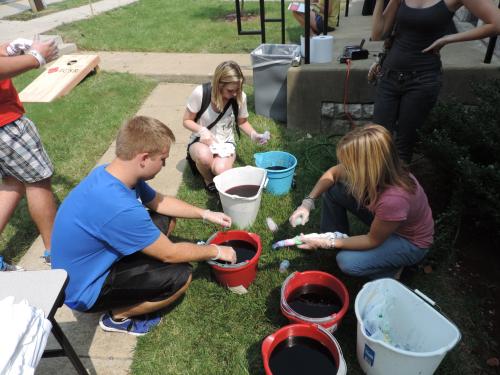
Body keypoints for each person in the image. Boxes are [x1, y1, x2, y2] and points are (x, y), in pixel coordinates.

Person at [51, 116, 237, 336]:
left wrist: (205, 214)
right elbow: (171, 254)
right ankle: (118, 317)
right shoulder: (119, 207)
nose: (165, 165)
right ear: (144, 158)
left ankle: (140, 263)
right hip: (85, 289)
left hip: (86, 265)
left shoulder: (110, 173)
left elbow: (161, 202)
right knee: (180, 276)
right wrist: (215, 250)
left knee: (164, 218)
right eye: (163, 159)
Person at [289, 124, 433, 279]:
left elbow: (372, 240)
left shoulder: (394, 199)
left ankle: (394, 271)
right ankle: (332, 236)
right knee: (333, 188)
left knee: (347, 261)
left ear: (368, 166)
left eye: (349, 164)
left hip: (408, 241)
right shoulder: (382, 171)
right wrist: (307, 203)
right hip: (386, 221)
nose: (345, 167)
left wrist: (328, 242)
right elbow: (333, 174)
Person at [371, 0, 500, 163]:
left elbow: (497, 23)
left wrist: (448, 38)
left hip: (422, 80)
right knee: (376, 144)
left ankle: (397, 188)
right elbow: (377, 34)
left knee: (403, 148)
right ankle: (374, 187)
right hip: (389, 75)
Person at [0, 38, 59, 268]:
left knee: (13, 182)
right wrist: (36, 57)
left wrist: (7, 49)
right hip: (6, 124)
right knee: (38, 181)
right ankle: (55, 251)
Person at [183, 60, 269, 193]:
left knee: (220, 169)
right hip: (201, 142)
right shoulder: (201, 93)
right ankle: (208, 180)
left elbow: (242, 122)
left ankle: (214, 168)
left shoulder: (240, 97)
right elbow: (186, 121)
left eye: (238, 89)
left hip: (225, 142)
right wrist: (202, 130)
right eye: (230, 90)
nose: (235, 94)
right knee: (204, 157)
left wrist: (254, 135)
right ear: (218, 84)